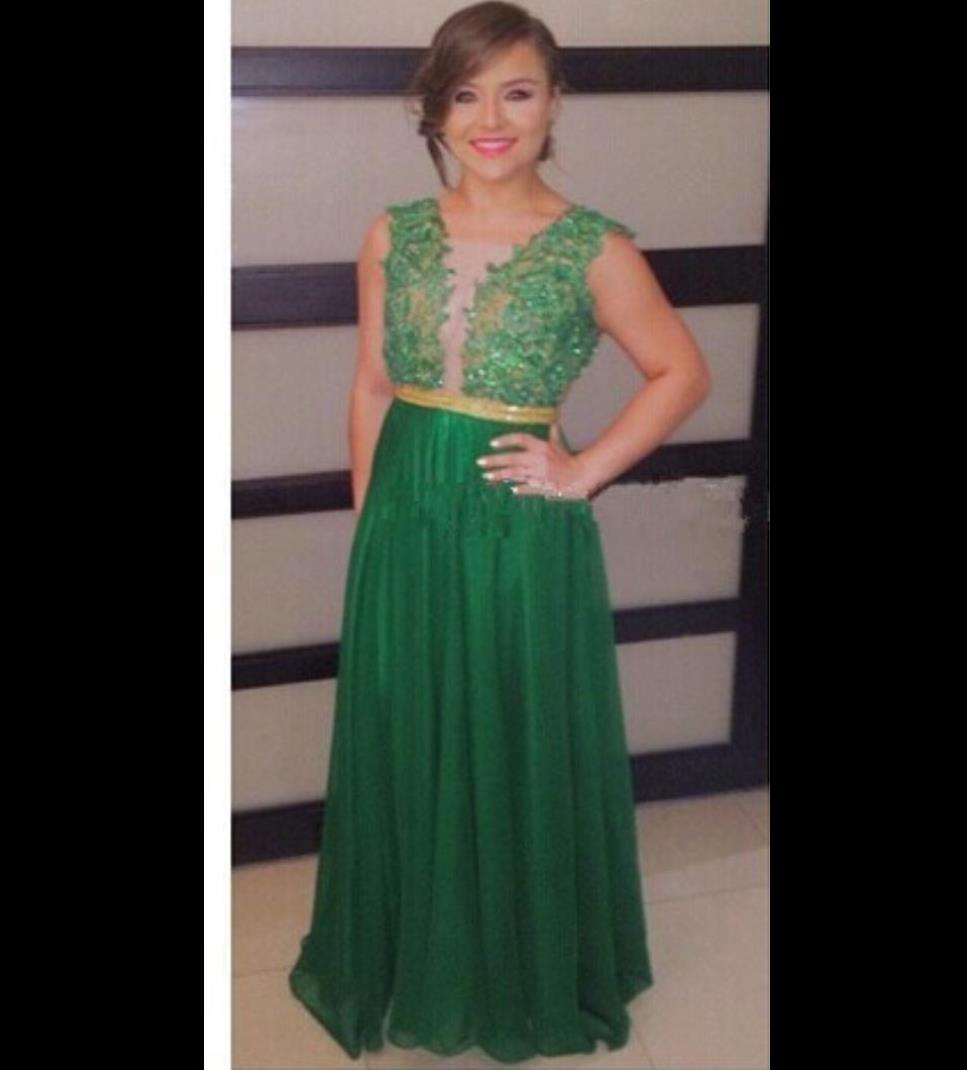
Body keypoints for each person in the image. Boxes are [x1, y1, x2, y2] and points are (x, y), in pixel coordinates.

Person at [289, 2, 711, 1063]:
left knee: (512, 730)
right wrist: (372, 523)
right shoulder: (392, 232)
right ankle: (412, 956)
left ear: (553, 102)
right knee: (410, 728)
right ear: (433, 109)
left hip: (519, 531)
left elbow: (680, 371)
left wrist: (582, 468)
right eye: (465, 94)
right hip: (406, 519)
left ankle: (519, 969)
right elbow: (373, 383)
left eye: (516, 92)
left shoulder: (591, 245)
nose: (490, 118)